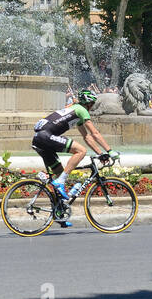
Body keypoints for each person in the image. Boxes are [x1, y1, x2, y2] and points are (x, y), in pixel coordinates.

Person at [31, 89, 118, 226]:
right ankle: (60, 182)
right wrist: (110, 150)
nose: (92, 106)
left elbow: (87, 137)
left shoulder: (74, 111)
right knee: (81, 151)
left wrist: (100, 154)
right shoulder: (81, 110)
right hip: (45, 136)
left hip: (39, 139)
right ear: (88, 103)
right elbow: (94, 133)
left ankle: (59, 214)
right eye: (91, 104)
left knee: (58, 174)